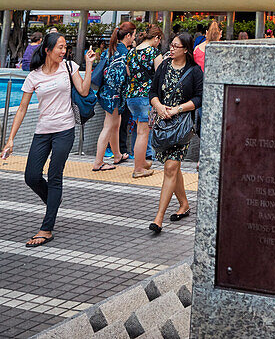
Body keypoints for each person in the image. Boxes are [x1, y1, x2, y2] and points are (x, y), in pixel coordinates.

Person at [1, 32, 95, 246]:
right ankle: (54, 199)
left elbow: (83, 89)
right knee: (31, 176)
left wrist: (88, 65)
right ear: (47, 50)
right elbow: (22, 108)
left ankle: (46, 228)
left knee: (55, 176)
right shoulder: (34, 75)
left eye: (65, 47)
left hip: (65, 129)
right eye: (59, 48)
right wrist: (10, 139)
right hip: (43, 131)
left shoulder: (69, 67)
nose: (64, 51)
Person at [148, 32, 203, 233]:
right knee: (174, 168)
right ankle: (184, 205)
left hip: (181, 125)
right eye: (170, 45)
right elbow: (152, 92)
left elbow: (199, 98)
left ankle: (159, 218)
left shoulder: (195, 71)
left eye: (175, 46)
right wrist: (160, 107)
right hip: (163, 123)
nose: (170, 49)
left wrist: (177, 109)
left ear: (186, 50)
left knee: (170, 168)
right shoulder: (163, 66)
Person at [92, 21, 135, 172]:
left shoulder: (111, 50)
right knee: (109, 125)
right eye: (133, 36)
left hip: (106, 93)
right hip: (115, 94)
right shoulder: (126, 54)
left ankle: (117, 155)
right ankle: (98, 162)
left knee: (116, 123)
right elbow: (127, 75)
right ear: (128, 36)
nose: (133, 39)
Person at [125, 23, 163, 178]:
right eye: (159, 39)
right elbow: (160, 77)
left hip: (131, 96)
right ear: (156, 38)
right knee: (142, 133)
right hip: (145, 97)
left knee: (139, 130)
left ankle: (141, 163)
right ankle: (138, 169)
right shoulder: (154, 52)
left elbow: (128, 73)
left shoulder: (131, 52)